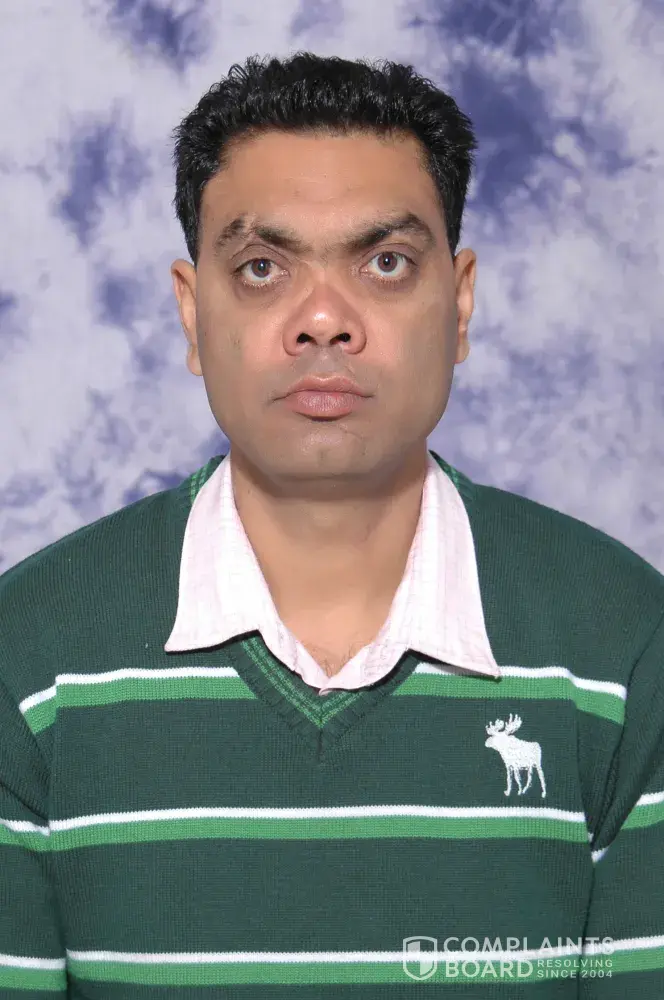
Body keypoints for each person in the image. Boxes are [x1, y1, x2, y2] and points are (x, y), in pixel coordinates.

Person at [0, 51, 662, 999]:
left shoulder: (628, 647)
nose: (322, 321)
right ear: (191, 313)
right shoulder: (26, 660)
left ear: (460, 305)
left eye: (385, 263)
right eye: (262, 268)